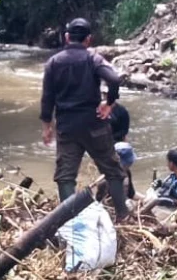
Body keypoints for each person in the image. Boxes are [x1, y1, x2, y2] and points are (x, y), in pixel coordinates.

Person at [40, 18, 130, 218]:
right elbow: (114, 79)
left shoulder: (53, 63)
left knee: (65, 176)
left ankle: (68, 220)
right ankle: (123, 215)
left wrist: (47, 127)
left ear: (66, 37)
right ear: (88, 40)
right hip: (94, 124)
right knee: (112, 170)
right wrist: (110, 103)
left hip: (67, 127)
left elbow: (47, 98)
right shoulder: (93, 59)